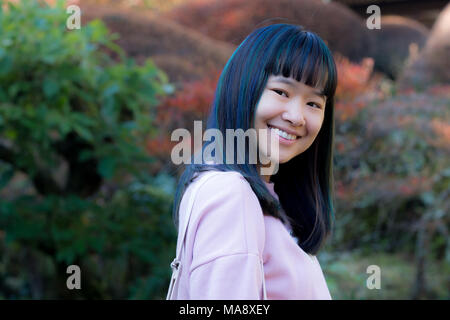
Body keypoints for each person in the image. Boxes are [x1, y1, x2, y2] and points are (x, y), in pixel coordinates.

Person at [170, 23, 337, 299]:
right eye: (282, 92)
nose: (297, 117)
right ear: (243, 89)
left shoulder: (261, 199)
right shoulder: (230, 195)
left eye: (314, 104)